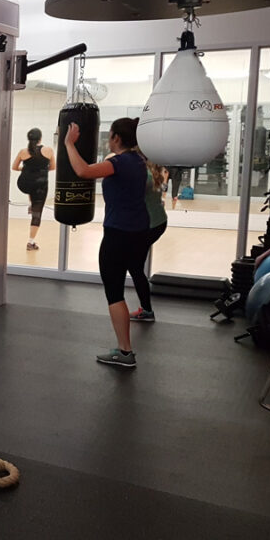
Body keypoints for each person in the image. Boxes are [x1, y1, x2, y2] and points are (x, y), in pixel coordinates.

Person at [64, 117, 148, 369]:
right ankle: (125, 348)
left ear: (116, 138)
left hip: (119, 234)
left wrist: (69, 143)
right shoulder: (138, 160)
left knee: (114, 293)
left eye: (110, 135)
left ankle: (125, 352)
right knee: (120, 286)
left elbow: (83, 171)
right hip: (138, 232)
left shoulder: (119, 162)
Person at [128, 161, 169, 323]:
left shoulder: (145, 175)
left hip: (150, 225)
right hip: (158, 222)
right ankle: (146, 309)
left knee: (135, 267)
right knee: (135, 265)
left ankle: (147, 311)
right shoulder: (152, 172)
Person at [12, 127, 55, 251]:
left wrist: (26, 169)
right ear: (40, 138)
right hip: (40, 186)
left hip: (23, 184)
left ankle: (32, 203)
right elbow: (53, 167)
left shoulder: (23, 152)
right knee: (37, 214)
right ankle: (31, 242)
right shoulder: (49, 150)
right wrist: (41, 170)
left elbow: (14, 167)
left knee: (32, 188)